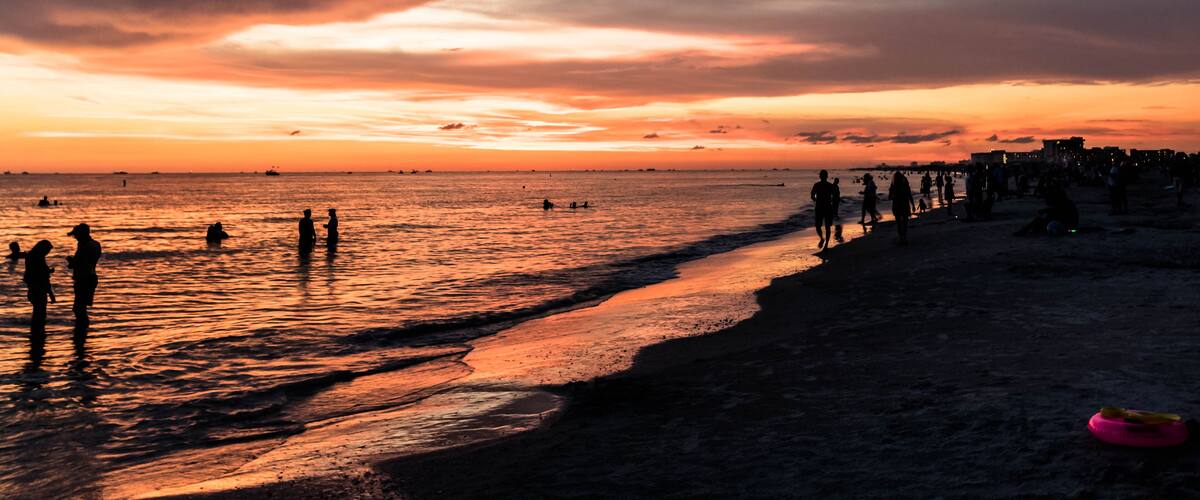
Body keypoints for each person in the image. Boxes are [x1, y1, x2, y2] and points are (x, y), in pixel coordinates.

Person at [66, 223, 101, 341]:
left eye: (76, 235)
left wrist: (72, 261)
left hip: (85, 279)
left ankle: (82, 333)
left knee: (78, 308)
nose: (75, 237)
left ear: (82, 234)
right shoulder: (94, 244)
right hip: (88, 277)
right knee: (80, 307)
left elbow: (80, 263)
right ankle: (82, 332)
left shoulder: (87, 246)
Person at [23, 240, 55, 354]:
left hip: (32, 289)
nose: (47, 253)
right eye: (47, 251)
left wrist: (47, 271)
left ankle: (35, 337)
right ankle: (38, 337)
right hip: (39, 290)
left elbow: (32, 273)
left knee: (37, 313)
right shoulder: (39, 259)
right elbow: (43, 278)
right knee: (40, 314)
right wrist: (51, 294)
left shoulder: (31, 257)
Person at [1015, 185, 1079, 236]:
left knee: (1038, 221)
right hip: (1067, 225)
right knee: (1039, 222)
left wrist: (1046, 211)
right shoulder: (1064, 203)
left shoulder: (1063, 204)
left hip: (1066, 225)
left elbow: (1057, 212)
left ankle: (1024, 231)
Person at [810, 170, 837, 249]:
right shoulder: (829, 185)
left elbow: (812, 195)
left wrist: (816, 201)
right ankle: (825, 243)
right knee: (826, 226)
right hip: (827, 207)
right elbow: (835, 196)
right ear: (827, 176)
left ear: (820, 176)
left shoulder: (817, 185)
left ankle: (822, 239)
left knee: (819, 226)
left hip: (820, 207)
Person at [889, 172, 917, 245]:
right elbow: (909, 194)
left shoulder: (893, 185)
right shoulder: (905, 184)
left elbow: (889, 197)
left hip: (896, 204)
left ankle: (901, 238)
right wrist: (913, 205)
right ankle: (904, 238)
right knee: (905, 222)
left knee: (898, 222)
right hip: (905, 204)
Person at [832, 178, 844, 242]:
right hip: (834, 199)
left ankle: (835, 216)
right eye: (837, 181)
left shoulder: (835, 185)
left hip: (835, 199)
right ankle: (835, 216)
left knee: (835, 209)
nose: (838, 182)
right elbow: (833, 193)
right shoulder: (834, 185)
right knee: (835, 208)